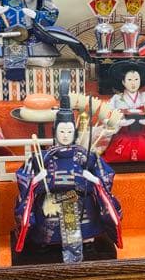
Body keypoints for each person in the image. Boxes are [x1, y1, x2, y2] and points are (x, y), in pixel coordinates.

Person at [14, 71, 122, 263]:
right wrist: (36, 181)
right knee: (47, 218)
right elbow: (24, 176)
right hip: (51, 202)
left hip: (80, 201)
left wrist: (94, 180)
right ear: (55, 132)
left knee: (85, 216)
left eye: (69, 131)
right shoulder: (43, 156)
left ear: (75, 132)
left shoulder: (85, 155)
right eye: (62, 131)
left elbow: (105, 175)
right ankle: (47, 244)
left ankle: (87, 242)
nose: (65, 135)